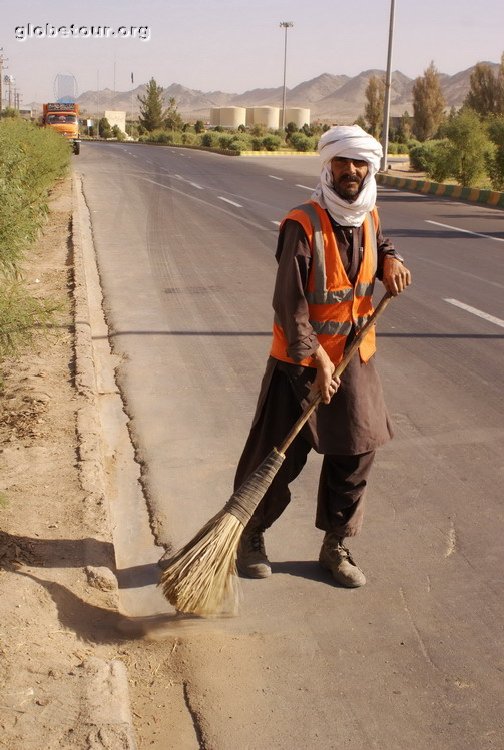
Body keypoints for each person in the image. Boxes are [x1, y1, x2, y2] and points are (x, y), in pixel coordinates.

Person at [234, 124, 411, 588]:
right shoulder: (303, 223)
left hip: (354, 357)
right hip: (299, 361)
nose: (351, 171)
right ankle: (249, 534)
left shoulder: (369, 216)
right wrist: (316, 359)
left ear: (369, 168)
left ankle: (336, 545)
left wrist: (391, 258)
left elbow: (380, 241)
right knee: (278, 454)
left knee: (356, 452)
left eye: (359, 163)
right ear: (327, 166)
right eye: (343, 162)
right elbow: (289, 304)